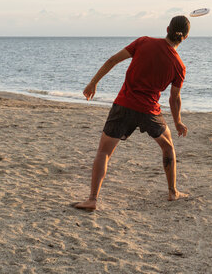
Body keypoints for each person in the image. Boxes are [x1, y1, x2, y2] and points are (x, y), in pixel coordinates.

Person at [72, 15, 191, 212]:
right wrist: (177, 121)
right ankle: (172, 192)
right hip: (149, 111)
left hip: (124, 106)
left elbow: (112, 60)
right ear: (185, 38)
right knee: (168, 147)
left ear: (167, 28)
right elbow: (174, 98)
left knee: (104, 153)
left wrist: (93, 82)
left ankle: (92, 199)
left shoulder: (144, 42)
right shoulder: (179, 66)